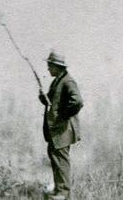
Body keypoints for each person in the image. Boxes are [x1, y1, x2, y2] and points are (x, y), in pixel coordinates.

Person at [38, 50, 84, 200]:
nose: (48, 69)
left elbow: (77, 101)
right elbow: (52, 102)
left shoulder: (67, 82)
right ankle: (60, 191)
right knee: (55, 157)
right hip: (56, 131)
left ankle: (63, 193)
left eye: (50, 65)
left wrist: (63, 116)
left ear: (57, 66)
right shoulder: (58, 80)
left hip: (62, 130)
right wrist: (44, 98)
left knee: (60, 160)